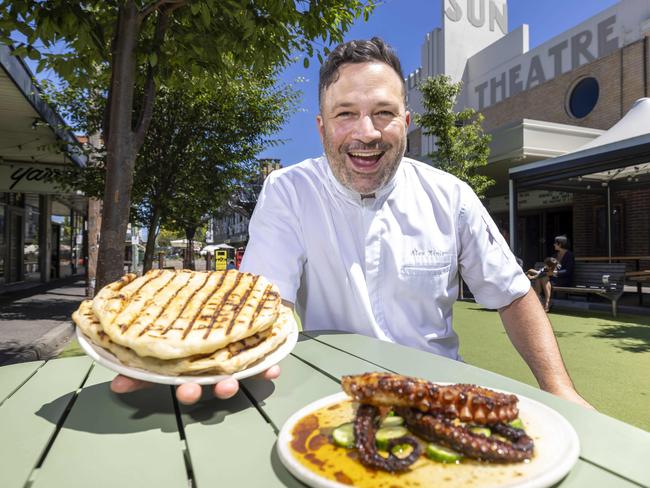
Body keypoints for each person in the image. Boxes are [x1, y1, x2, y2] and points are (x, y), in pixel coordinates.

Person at [112, 37, 590, 408]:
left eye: (383, 113)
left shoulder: (451, 196)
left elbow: (511, 293)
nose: (366, 133)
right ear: (321, 126)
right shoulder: (287, 191)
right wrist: (201, 357)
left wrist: (559, 387)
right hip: (332, 393)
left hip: (439, 390)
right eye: (346, 114)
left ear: (406, 121)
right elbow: (264, 301)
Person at [531, 236, 575, 312]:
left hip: (563, 279)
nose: (554, 244)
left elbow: (568, 271)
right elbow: (547, 266)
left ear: (560, 244)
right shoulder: (555, 255)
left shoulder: (569, 255)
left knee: (543, 279)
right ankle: (545, 302)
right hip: (551, 278)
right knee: (541, 278)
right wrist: (544, 271)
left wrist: (554, 273)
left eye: (555, 243)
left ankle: (542, 302)